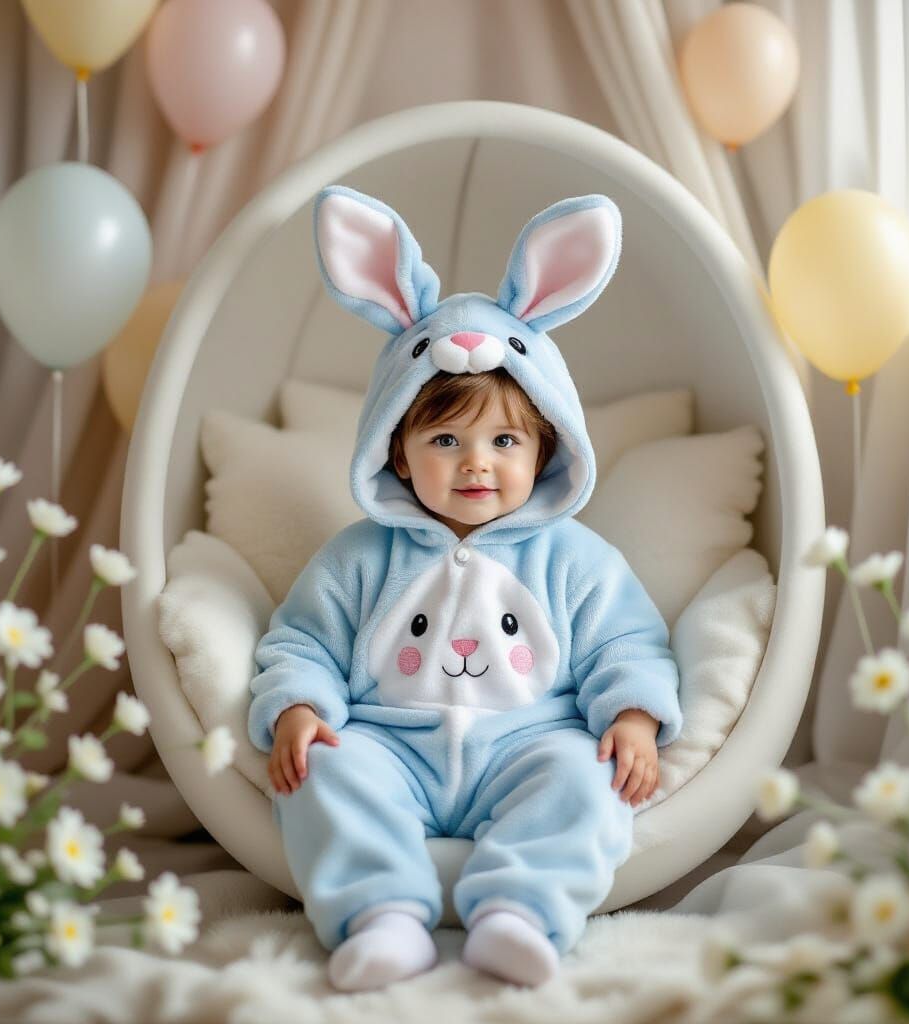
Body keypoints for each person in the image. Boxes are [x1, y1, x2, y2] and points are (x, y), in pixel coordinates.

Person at [247, 186, 682, 992]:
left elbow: (627, 640)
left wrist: (632, 717)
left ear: (544, 447)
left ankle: (521, 912)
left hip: (527, 742)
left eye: (503, 439)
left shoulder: (574, 559)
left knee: (588, 780)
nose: (476, 462)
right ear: (399, 452)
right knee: (324, 774)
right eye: (445, 439)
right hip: (390, 744)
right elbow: (301, 639)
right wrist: (299, 708)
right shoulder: (358, 556)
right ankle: (379, 916)